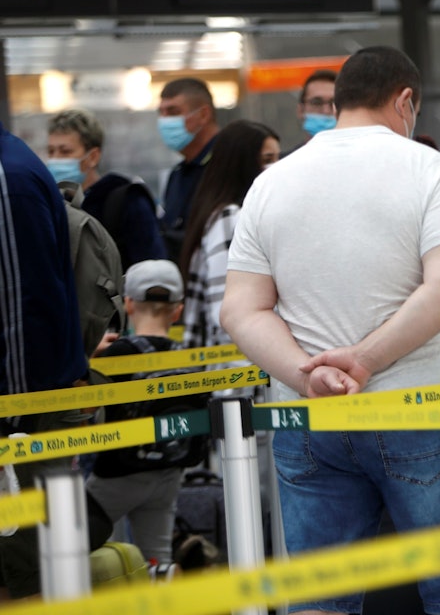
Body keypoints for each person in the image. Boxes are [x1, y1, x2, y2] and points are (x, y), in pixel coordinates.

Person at [219, 46, 440, 615]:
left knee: (320, 603)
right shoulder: (426, 168)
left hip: (306, 421)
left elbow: (241, 312)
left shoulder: (272, 182)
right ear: (405, 100)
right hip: (415, 407)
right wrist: (366, 360)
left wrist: (309, 376)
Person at [0, 121, 110, 599]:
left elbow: (25, 308)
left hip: (23, 415)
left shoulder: (7, 176)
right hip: (24, 405)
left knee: (23, 569)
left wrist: (12, 419)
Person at [85, 259, 189, 569]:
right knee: (156, 559)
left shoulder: (118, 354)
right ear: (178, 310)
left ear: (128, 304)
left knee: (72, 545)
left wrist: (89, 357)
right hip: (169, 474)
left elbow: (87, 403)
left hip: (115, 476)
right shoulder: (188, 359)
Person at [179, 120, 280, 352]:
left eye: (277, 158)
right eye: (266, 159)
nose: (276, 167)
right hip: (237, 369)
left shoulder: (230, 214)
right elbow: (225, 308)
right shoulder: (230, 219)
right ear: (241, 163)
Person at [46, 108, 166, 270]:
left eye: (65, 151)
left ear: (93, 156)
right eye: (51, 151)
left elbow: (152, 266)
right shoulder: (55, 206)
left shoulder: (126, 199)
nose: (56, 160)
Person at [158, 77, 221, 263]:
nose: (164, 121)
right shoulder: (178, 174)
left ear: (203, 114)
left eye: (173, 112)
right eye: (161, 113)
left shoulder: (228, 163)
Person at [292, 69, 337, 150]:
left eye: (333, 103)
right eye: (317, 102)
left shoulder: (361, 159)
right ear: (301, 110)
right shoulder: (283, 161)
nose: (326, 111)